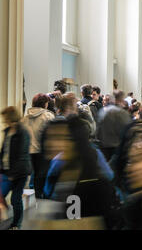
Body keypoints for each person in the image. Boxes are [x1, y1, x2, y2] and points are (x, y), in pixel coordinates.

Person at [41, 96, 118, 229]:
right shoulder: (92, 154)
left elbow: (49, 192)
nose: (51, 144)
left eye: (58, 138)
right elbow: (110, 178)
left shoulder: (59, 162)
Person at [0, 107, 32, 230]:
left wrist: (13, 174)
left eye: (5, 117)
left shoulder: (23, 132)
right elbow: (4, 151)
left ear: (10, 116)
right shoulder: (7, 131)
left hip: (20, 172)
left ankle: (16, 224)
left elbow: (22, 155)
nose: (4, 119)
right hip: (6, 171)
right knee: (1, 196)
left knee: (15, 199)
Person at [22, 93, 55, 198]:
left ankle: (35, 199)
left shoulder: (25, 117)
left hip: (29, 151)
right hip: (42, 152)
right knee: (42, 178)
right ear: (45, 103)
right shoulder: (48, 116)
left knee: (32, 177)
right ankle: (42, 200)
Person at [96, 90, 132, 161]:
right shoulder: (122, 113)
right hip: (117, 150)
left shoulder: (102, 111)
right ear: (121, 99)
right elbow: (128, 132)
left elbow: (97, 131)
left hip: (103, 149)